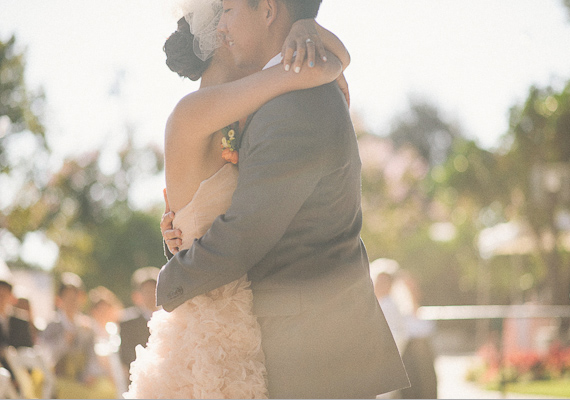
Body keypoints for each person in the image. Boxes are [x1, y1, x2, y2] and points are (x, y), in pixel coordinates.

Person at [156, 0, 409, 398]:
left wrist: (312, 37)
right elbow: (301, 71)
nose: (223, 28)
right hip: (232, 324)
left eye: (230, 11)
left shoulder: (281, 106)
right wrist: (322, 52)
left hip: (303, 345)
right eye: (221, 15)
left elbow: (246, 231)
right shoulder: (215, 108)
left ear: (268, 10)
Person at [125, 3, 349, 397]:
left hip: (240, 312)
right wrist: (314, 39)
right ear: (222, 38)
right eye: (226, 14)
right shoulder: (192, 111)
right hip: (208, 320)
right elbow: (312, 69)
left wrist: (308, 26)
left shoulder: (235, 119)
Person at [40, 272, 115, 399]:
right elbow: (46, 357)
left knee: (108, 389)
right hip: (58, 380)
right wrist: (64, 341)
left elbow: (92, 355)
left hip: (81, 379)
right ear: (59, 300)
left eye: (75, 297)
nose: (72, 301)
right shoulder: (52, 325)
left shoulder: (87, 326)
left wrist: (90, 374)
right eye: (68, 297)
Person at [119, 266, 160, 377]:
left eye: (154, 290)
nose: (151, 295)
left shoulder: (171, 317)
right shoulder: (128, 323)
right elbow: (126, 355)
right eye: (147, 291)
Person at [88, 286, 126, 398]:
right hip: (97, 379)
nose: (104, 312)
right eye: (100, 309)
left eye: (107, 308)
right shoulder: (90, 331)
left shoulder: (114, 329)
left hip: (116, 375)